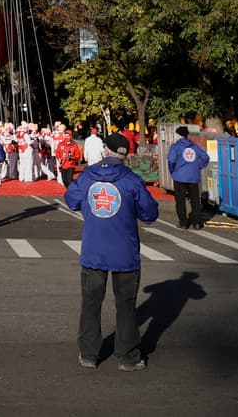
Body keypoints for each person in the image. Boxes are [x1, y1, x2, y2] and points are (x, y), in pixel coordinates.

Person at [65, 132, 158, 371]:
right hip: (125, 252)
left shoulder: (88, 176)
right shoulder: (132, 180)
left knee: (90, 303)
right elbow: (149, 214)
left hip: (94, 250)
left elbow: (71, 200)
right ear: (125, 154)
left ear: (106, 150)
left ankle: (88, 354)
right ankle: (127, 357)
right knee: (126, 306)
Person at [167, 126, 210, 230]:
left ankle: (183, 223)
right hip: (193, 177)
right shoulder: (194, 146)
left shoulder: (175, 147)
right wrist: (198, 166)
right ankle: (196, 223)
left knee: (180, 201)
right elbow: (205, 157)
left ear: (178, 135)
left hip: (179, 177)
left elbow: (171, 161)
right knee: (195, 201)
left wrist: (172, 171)